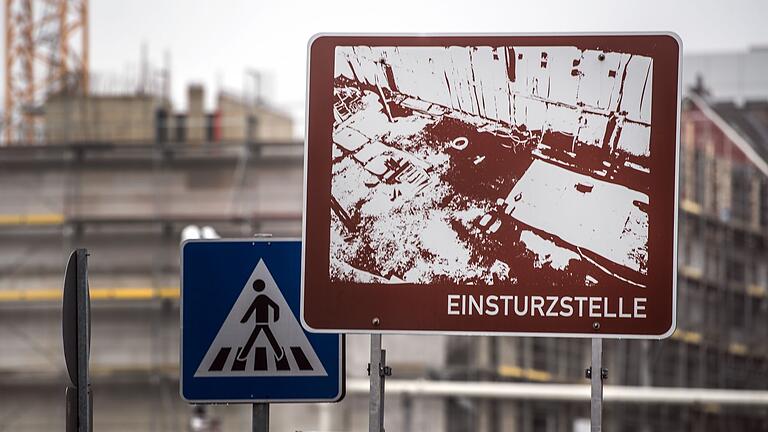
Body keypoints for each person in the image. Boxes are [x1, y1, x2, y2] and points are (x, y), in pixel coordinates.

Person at [236, 278, 284, 362]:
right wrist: (275, 317)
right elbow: (276, 307)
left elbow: (251, 309)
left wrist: (245, 319)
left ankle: (243, 355)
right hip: (262, 322)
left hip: (261, 322)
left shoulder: (260, 298)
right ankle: (279, 354)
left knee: (255, 338)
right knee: (263, 338)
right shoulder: (262, 298)